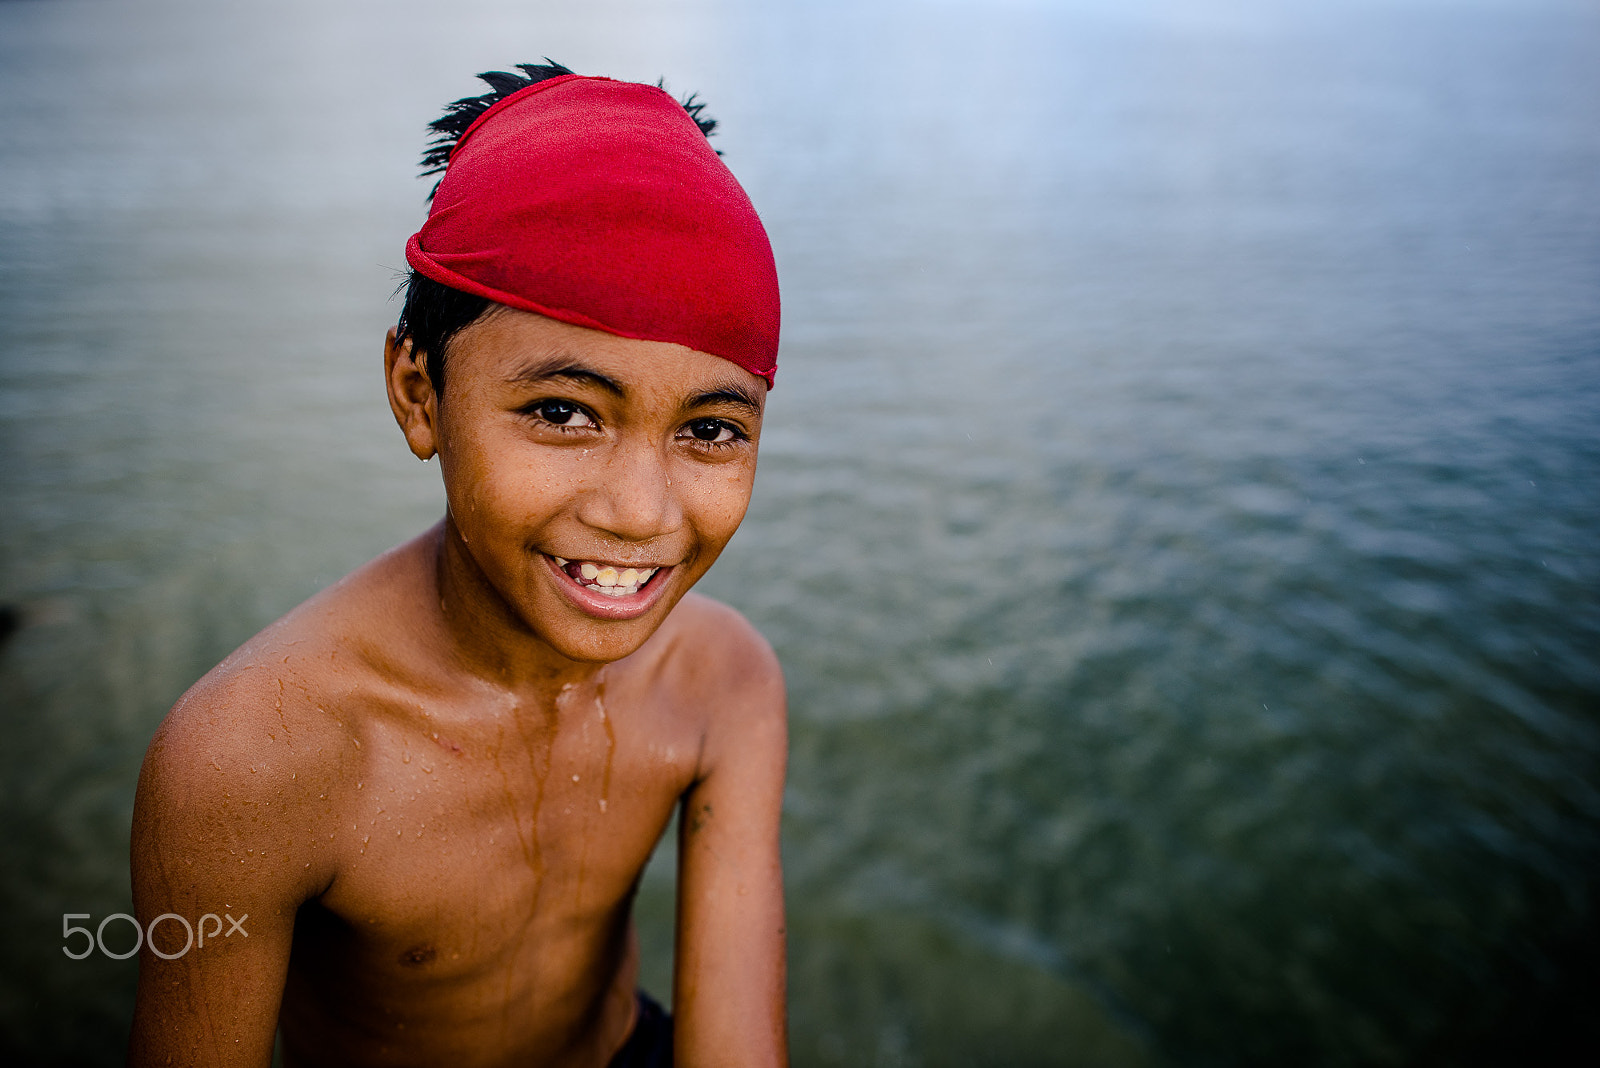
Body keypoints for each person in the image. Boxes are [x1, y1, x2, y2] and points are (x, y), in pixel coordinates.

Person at [128, 60, 787, 1068]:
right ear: (417, 391)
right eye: (563, 412)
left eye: (709, 428)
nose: (641, 511)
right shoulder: (257, 757)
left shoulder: (721, 681)